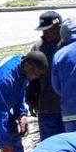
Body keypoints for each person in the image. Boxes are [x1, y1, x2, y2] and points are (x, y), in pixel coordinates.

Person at [26, 10, 64, 141]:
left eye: (48, 30)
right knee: (50, 147)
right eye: (43, 31)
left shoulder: (68, 45)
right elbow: (31, 78)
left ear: (59, 28)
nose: (45, 34)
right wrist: (31, 100)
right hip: (46, 109)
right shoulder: (38, 48)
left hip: (68, 109)